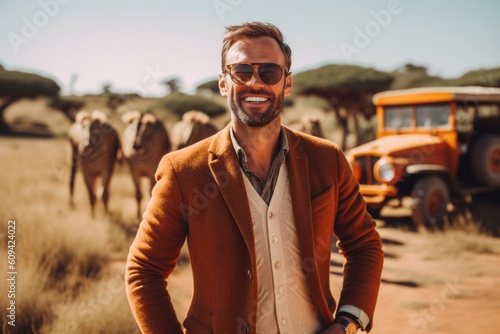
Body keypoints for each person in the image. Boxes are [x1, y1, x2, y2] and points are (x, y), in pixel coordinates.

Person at [126, 22, 384, 334]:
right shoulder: (183, 171)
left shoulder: (326, 159)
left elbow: (364, 245)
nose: (255, 82)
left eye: (270, 73)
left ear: (286, 83)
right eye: (242, 71)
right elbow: (145, 270)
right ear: (223, 83)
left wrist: (349, 323)